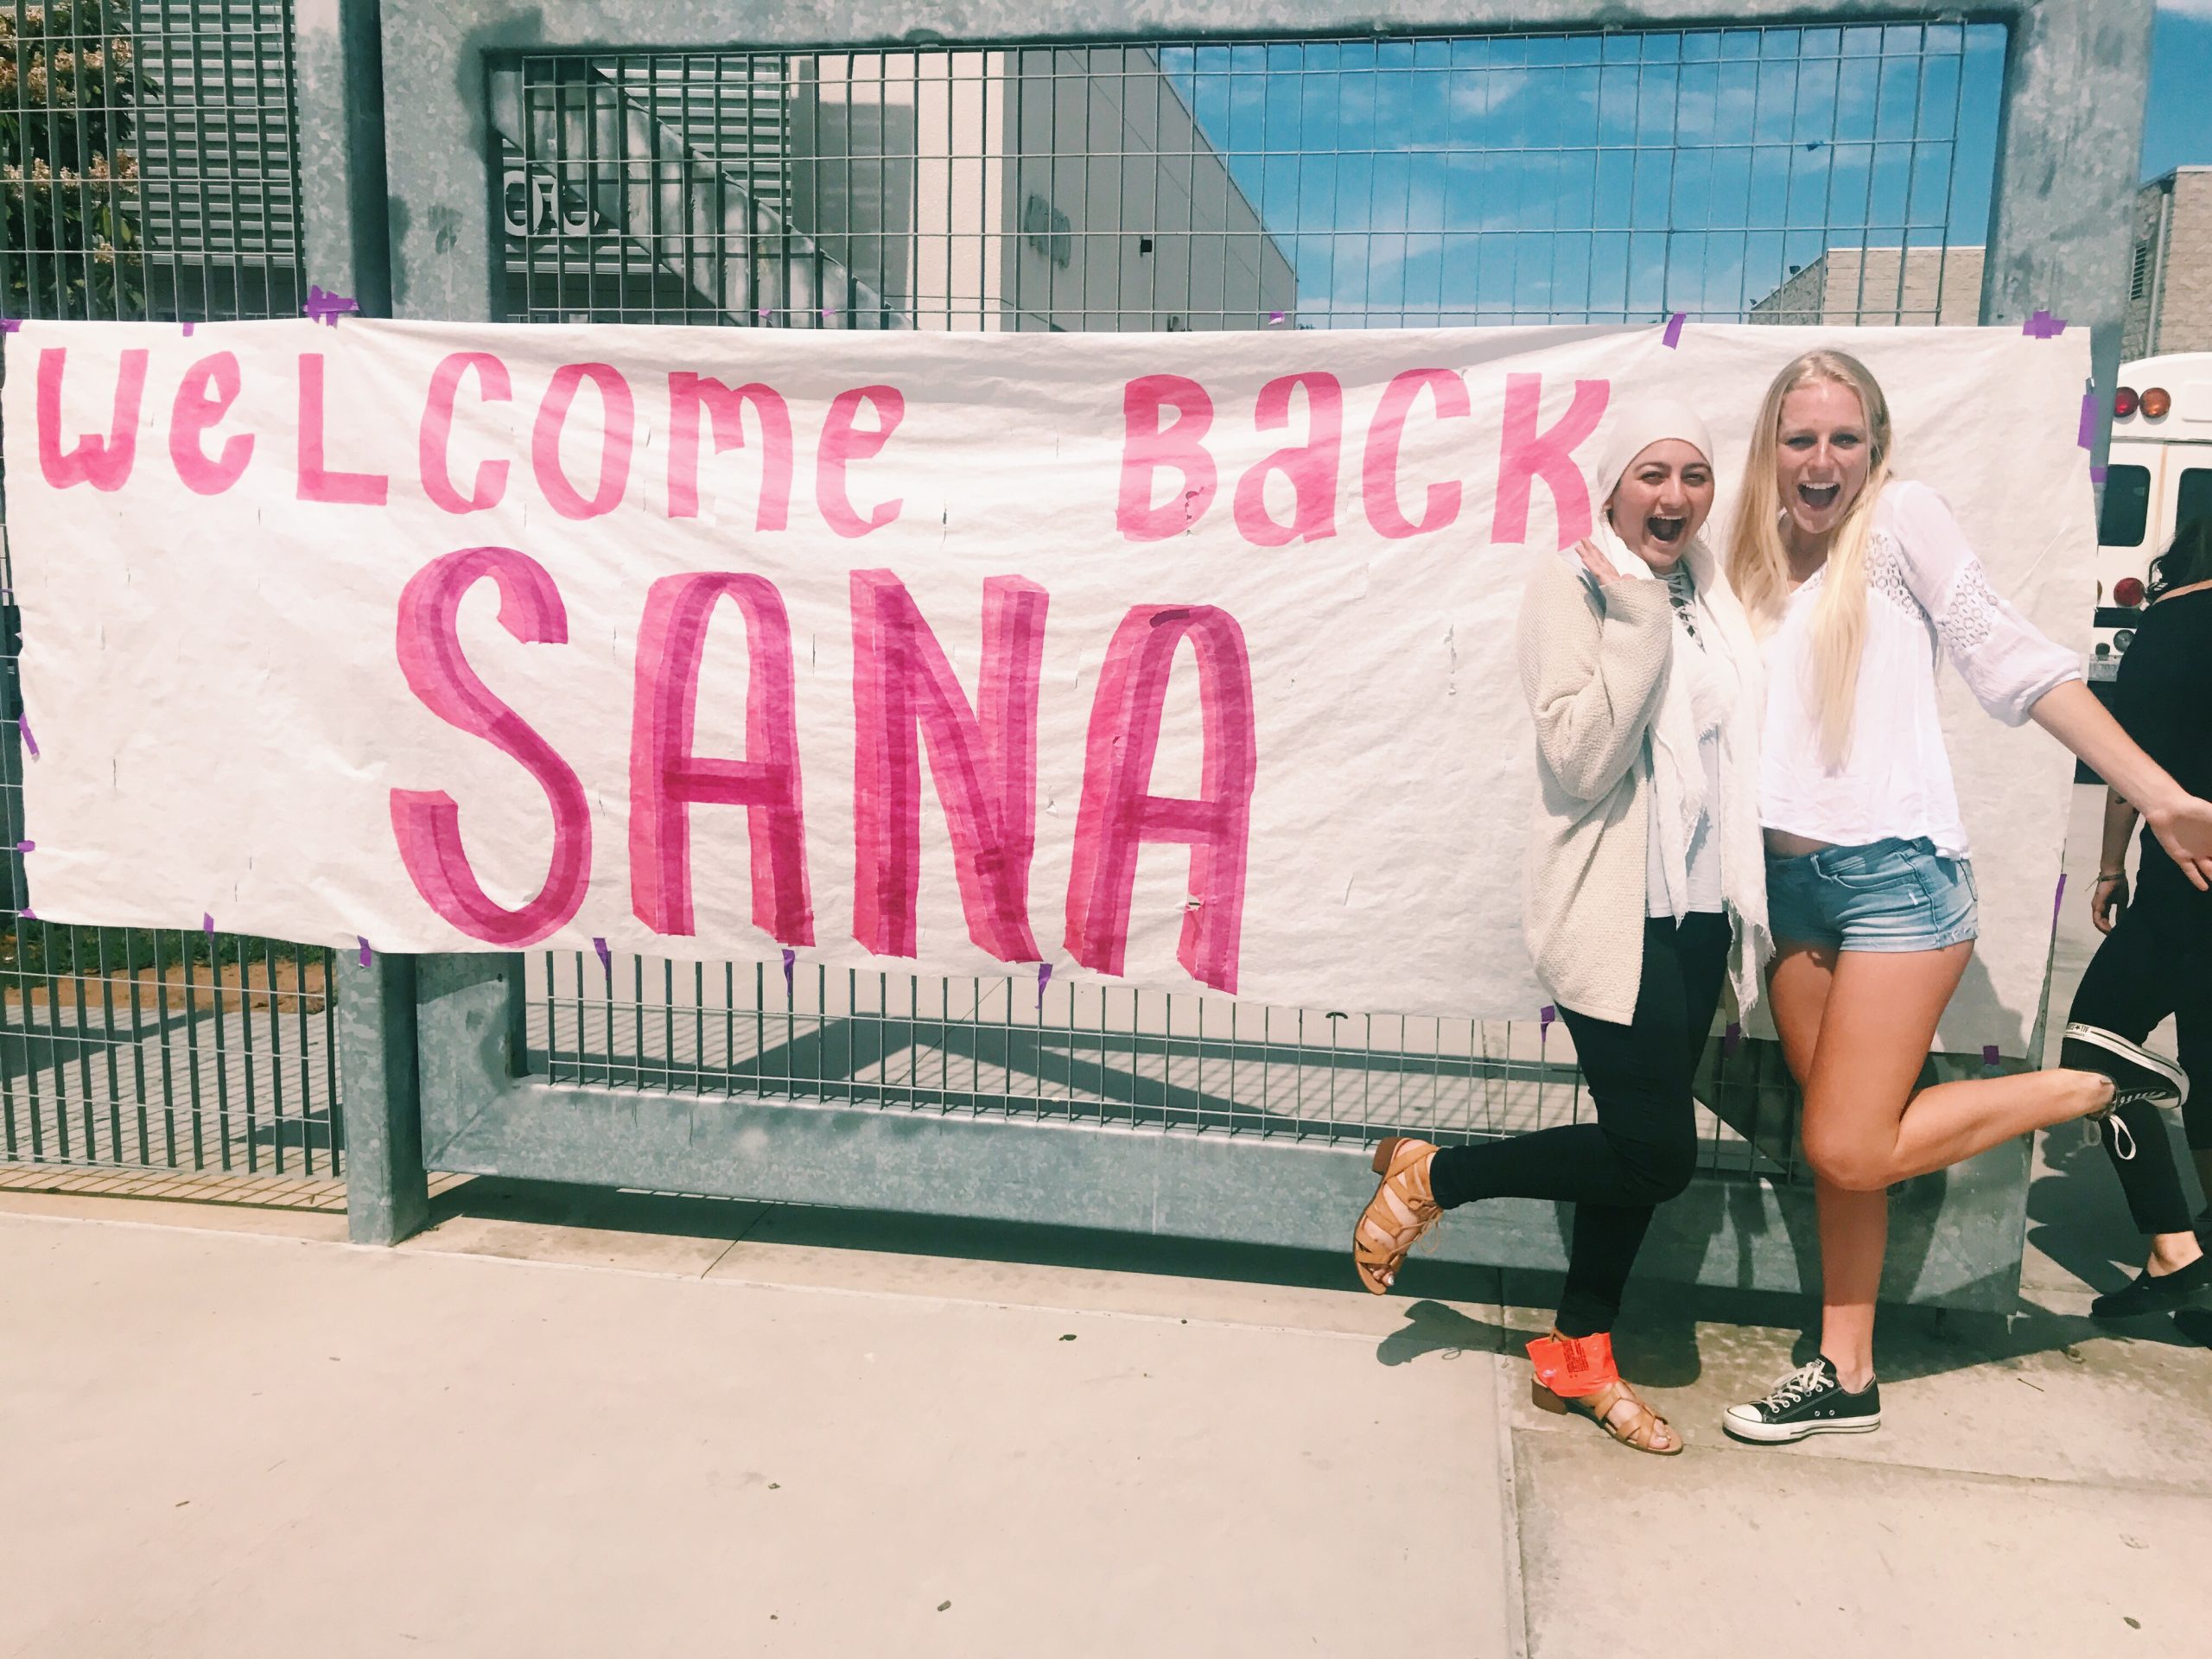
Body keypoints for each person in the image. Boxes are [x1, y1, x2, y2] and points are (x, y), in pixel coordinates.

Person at [1717, 350, 2212, 1446]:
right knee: (1846, 1141)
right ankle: (1845, 1372)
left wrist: (2159, 797)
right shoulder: (1748, 562)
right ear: (1770, 450)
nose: (1822, 460)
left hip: (1897, 878)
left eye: (1845, 438)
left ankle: (2096, 1085)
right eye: (1800, 439)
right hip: (1789, 890)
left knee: (1846, 1146)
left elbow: (2013, 658)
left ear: (1875, 447)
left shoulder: (1901, 523)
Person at [1351, 399, 1770, 1456]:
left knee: (1632, 1158)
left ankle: (1578, 1358)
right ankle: (1435, 1178)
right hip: (1610, 914)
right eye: (1650, 474)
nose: (1673, 497)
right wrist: (1631, 616)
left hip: (1695, 915)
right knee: (1656, 1156)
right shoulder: (1575, 585)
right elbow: (1578, 761)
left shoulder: (1708, 595)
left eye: (1693, 475)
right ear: (1611, 485)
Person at [2063, 518, 2212, 1321]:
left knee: (2094, 1045)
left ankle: (2171, 1247)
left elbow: (2130, 763)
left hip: (2181, 885)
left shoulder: (2167, 622)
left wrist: (2111, 864)